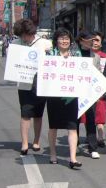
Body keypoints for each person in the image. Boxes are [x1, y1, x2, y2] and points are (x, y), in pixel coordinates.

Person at [11, 18, 52, 154]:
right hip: (24, 83)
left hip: (41, 83)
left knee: (38, 114)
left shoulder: (45, 43)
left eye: (26, 35)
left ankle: (36, 141)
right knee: (25, 113)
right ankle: (24, 143)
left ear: (32, 32)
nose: (24, 38)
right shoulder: (16, 43)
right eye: (21, 35)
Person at [46, 28, 82, 169]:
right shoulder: (50, 54)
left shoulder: (76, 55)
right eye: (61, 38)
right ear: (56, 41)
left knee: (72, 127)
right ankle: (53, 154)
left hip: (71, 96)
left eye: (67, 38)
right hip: (54, 96)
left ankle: (73, 158)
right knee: (53, 126)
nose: (64, 41)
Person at [76, 31, 101, 159]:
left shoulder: (95, 57)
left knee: (91, 119)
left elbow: (98, 74)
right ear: (81, 40)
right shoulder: (73, 54)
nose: (92, 42)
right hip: (75, 91)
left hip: (90, 92)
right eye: (90, 40)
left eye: (93, 40)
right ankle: (74, 144)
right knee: (75, 120)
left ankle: (93, 147)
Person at [90, 31, 106, 146]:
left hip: (100, 88)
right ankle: (90, 135)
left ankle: (100, 136)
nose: (95, 42)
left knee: (101, 110)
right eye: (92, 40)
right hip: (86, 88)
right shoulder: (84, 55)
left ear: (101, 43)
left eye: (97, 40)